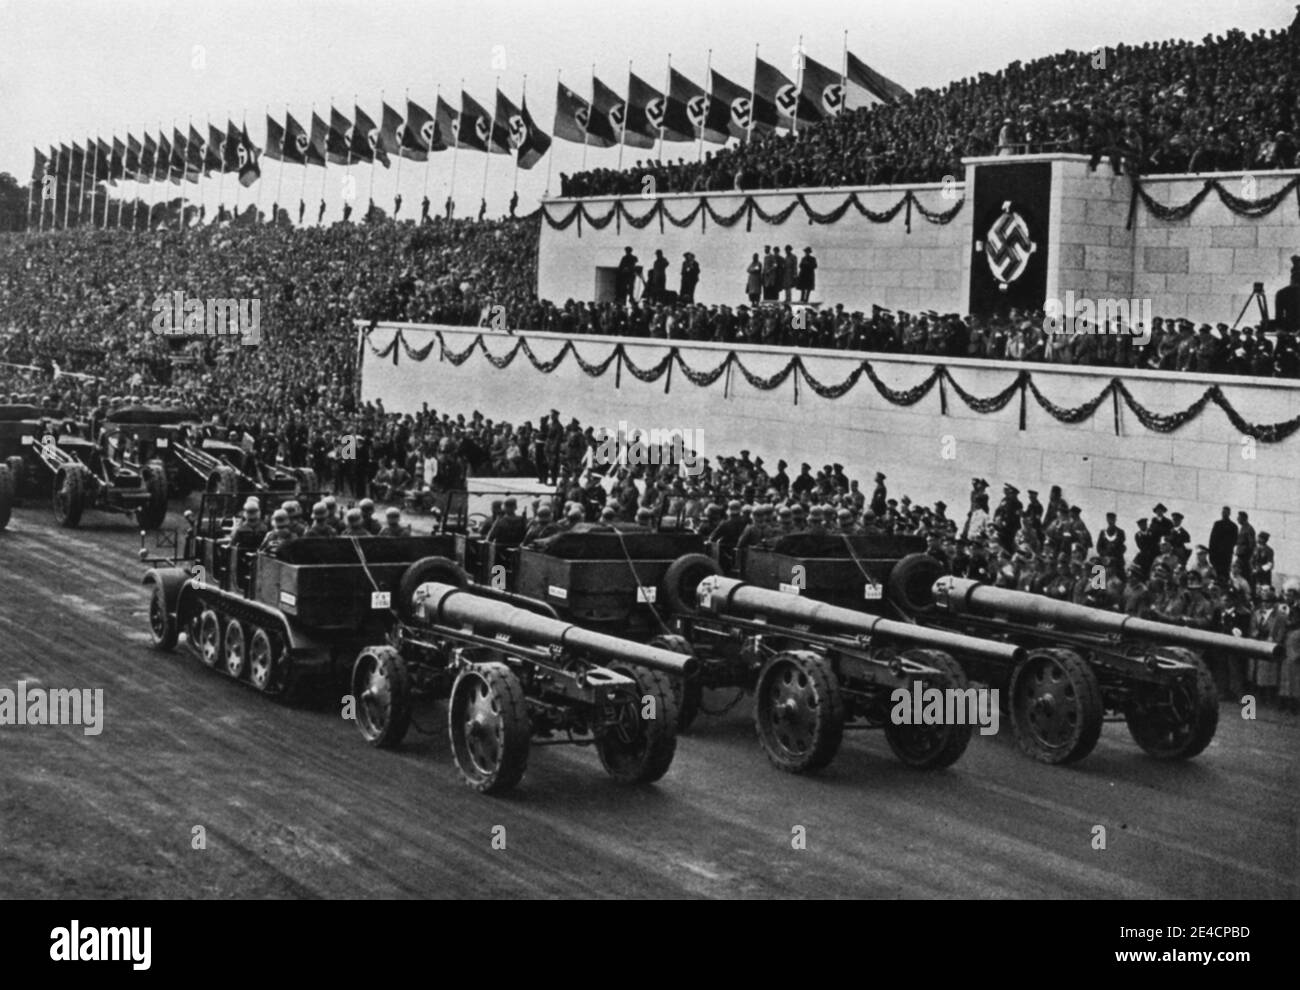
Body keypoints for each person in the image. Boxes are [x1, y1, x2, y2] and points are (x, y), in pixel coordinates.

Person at [1208, 506, 1238, 581]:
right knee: (1216, 574)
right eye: (1223, 512)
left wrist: (1226, 548)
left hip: (1226, 556)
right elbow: (1212, 540)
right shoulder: (1217, 524)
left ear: (1229, 514)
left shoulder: (1233, 526)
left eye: (1226, 512)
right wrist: (1211, 553)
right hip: (1216, 555)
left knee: (1225, 574)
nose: (1224, 514)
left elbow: (1234, 541)